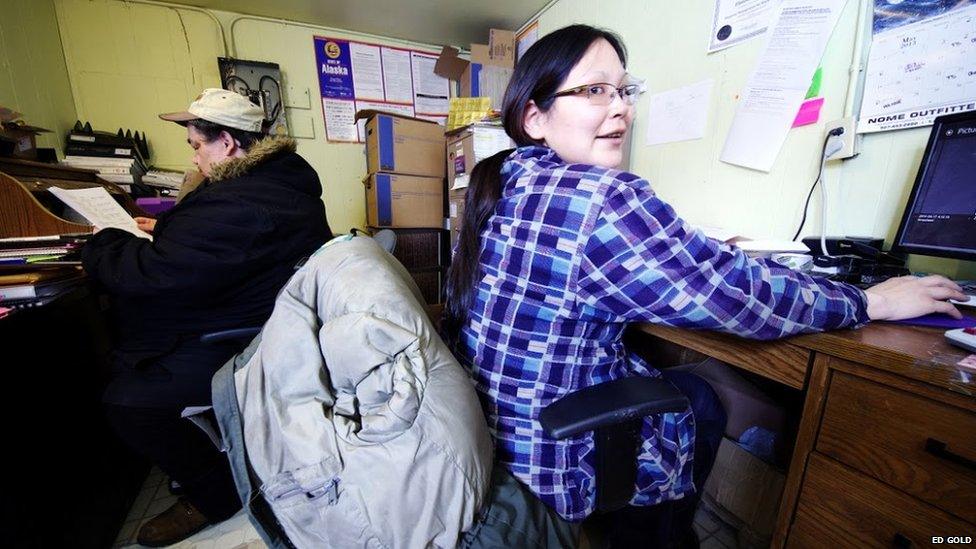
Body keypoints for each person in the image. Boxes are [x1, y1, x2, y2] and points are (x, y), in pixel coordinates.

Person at [442, 25, 966, 548]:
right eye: (595, 90)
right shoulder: (600, 198)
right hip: (552, 458)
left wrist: (703, 257)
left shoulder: (507, 179)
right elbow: (744, 299)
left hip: (499, 432)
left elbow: (686, 271)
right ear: (535, 117)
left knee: (675, 372)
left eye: (625, 90)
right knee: (699, 397)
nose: (622, 108)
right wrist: (870, 299)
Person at [82, 88, 333, 546]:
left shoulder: (241, 201)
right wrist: (169, 230)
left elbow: (153, 275)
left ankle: (217, 496)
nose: (196, 159)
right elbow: (222, 244)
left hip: (243, 341)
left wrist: (103, 242)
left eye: (197, 146)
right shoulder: (275, 183)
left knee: (127, 401)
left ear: (228, 143)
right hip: (255, 319)